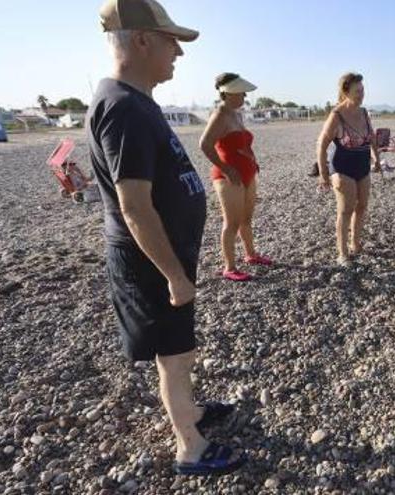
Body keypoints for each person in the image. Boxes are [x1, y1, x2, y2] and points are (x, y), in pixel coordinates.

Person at [87, 0, 243, 475]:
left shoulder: (135, 101)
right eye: (170, 40)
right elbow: (133, 205)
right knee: (175, 357)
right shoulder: (123, 108)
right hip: (151, 262)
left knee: (180, 349)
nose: (178, 51)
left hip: (163, 256)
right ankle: (189, 446)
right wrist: (174, 274)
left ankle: (190, 412)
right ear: (140, 40)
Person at [199, 72, 271, 281]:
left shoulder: (236, 113)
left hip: (247, 172)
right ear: (227, 94)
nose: (244, 98)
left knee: (246, 219)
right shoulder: (219, 114)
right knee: (231, 222)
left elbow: (243, 143)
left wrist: (252, 159)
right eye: (240, 93)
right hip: (228, 176)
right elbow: (204, 144)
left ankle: (251, 255)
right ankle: (229, 267)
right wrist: (226, 168)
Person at [316, 73, 381, 266]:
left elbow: (372, 138)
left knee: (361, 206)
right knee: (345, 210)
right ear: (346, 92)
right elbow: (321, 144)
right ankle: (342, 253)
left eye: (363, 90)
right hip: (342, 167)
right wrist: (323, 173)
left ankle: (355, 243)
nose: (361, 94)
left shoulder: (363, 113)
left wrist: (377, 158)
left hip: (362, 165)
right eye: (357, 91)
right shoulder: (336, 115)